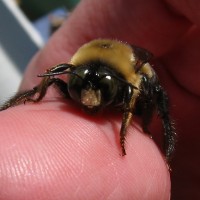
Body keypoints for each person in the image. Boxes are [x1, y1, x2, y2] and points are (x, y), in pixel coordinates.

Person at [0, 0, 199, 199]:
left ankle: (162, 144)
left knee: (154, 89)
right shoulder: (77, 65)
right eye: (80, 87)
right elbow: (52, 78)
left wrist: (126, 131)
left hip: (129, 84)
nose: (89, 97)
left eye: (101, 88)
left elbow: (138, 88)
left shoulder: (128, 78)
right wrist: (36, 96)